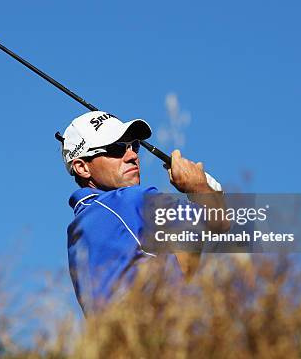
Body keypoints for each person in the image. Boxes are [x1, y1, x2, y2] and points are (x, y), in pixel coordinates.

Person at [59, 111, 230, 314]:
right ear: (82, 167)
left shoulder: (83, 224)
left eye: (134, 146)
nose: (132, 156)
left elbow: (181, 269)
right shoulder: (130, 201)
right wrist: (199, 188)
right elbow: (218, 223)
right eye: (116, 149)